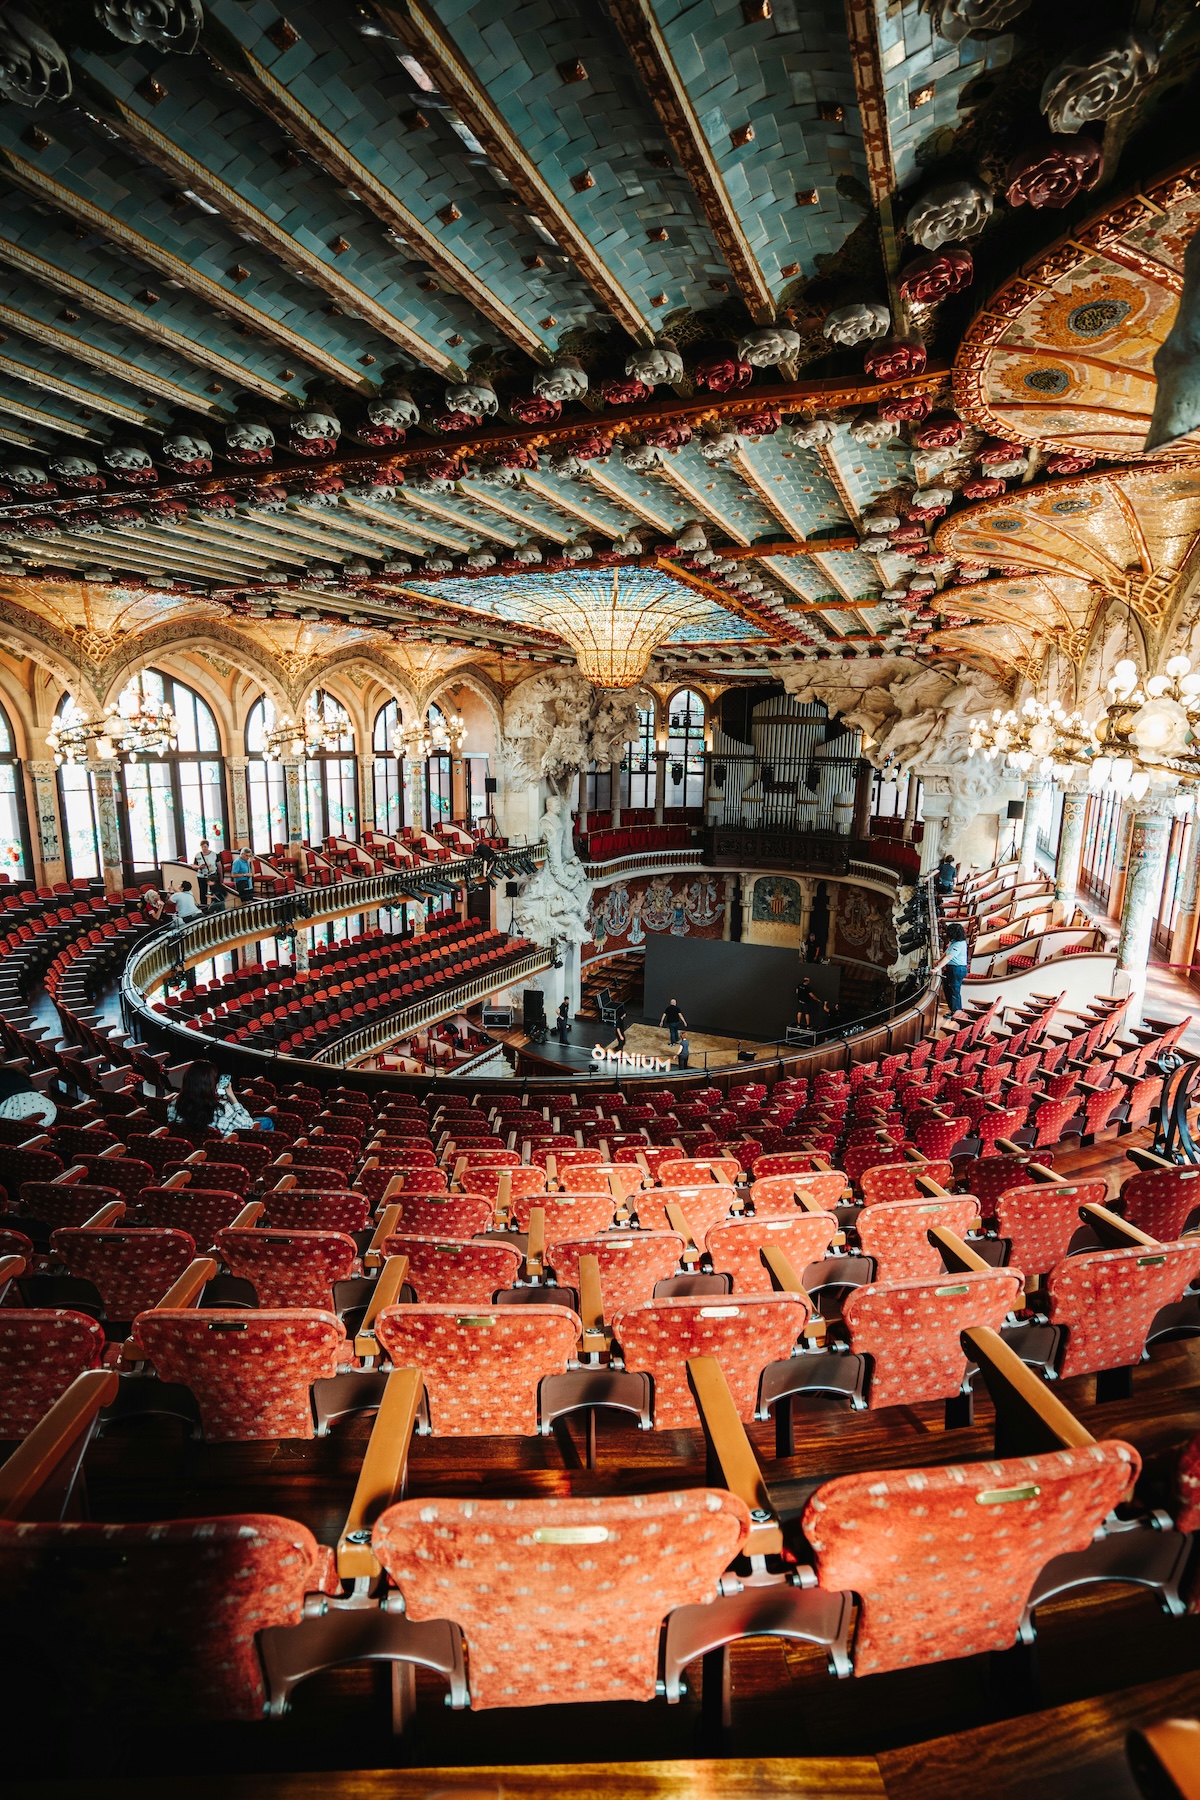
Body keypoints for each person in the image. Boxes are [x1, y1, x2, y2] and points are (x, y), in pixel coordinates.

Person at [167, 1061, 261, 1140]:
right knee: (266, 1121)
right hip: (224, 1153)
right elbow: (248, 1126)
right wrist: (232, 1097)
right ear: (211, 1085)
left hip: (191, 1154)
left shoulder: (174, 1105)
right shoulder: (221, 1109)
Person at [938, 922, 969, 1015]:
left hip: (957, 969)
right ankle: (952, 1010)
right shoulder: (954, 942)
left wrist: (937, 968)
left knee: (954, 992)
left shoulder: (959, 944)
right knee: (948, 989)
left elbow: (949, 957)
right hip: (952, 969)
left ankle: (957, 1013)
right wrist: (938, 961)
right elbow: (946, 953)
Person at [194, 839, 218, 908]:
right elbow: (194, 865)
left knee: (213, 891)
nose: (204, 848)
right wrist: (199, 867)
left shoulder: (214, 854)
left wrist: (220, 875)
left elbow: (218, 865)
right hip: (201, 876)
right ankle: (204, 907)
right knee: (203, 892)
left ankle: (214, 906)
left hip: (212, 875)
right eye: (202, 847)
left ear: (208, 846)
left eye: (205, 846)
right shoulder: (198, 855)